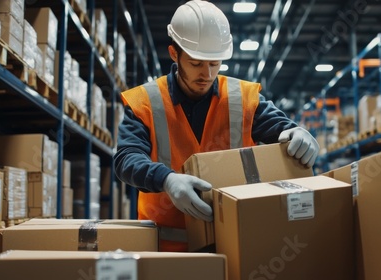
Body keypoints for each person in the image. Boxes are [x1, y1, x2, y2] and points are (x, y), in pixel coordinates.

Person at [114, 0, 319, 252]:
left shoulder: (240, 97)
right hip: (167, 249)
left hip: (232, 243)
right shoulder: (145, 102)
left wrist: (297, 132)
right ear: (173, 54)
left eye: (214, 63)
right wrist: (166, 179)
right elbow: (126, 159)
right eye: (196, 63)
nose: (207, 75)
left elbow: (278, 125)